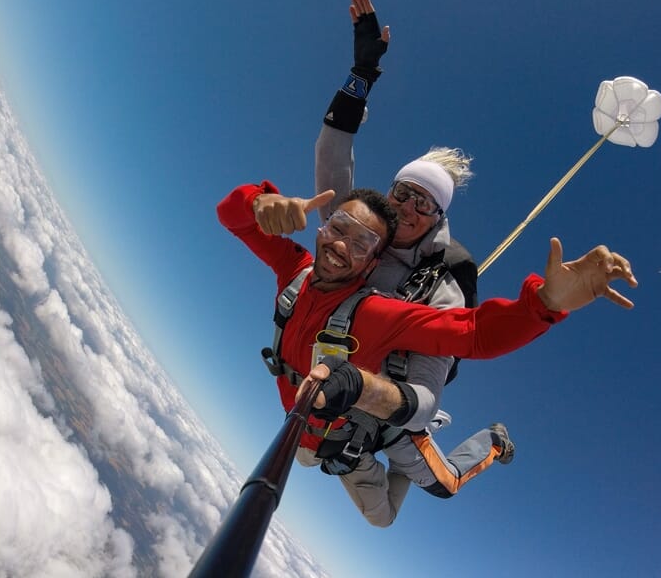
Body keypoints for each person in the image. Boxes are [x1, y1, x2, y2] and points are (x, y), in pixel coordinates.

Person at [217, 181, 638, 519]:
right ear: (321, 229)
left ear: (372, 265)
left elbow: (474, 333)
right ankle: (406, 441)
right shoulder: (295, 270)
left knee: (435, 490)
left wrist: (544, 304)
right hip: (317, 437)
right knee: (373, 508)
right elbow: (230, 216)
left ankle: (489, 441)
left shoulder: (375, 313)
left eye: (362, 243)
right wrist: (258, 203)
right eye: (339, 228)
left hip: (356, 431)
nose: (342, 246)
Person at [313, 0, 503, 525]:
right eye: (403, 192)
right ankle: (360, 448)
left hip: (394, 413)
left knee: (439, 488)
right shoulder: (361, 233)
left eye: (426, 203)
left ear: (439, 217)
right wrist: (360, 76)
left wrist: (367, 395)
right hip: (347, 399)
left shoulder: (440, 285)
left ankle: (491, 442)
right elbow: (332, 158)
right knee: (311, 458)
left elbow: (422, 395)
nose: (408, 209)